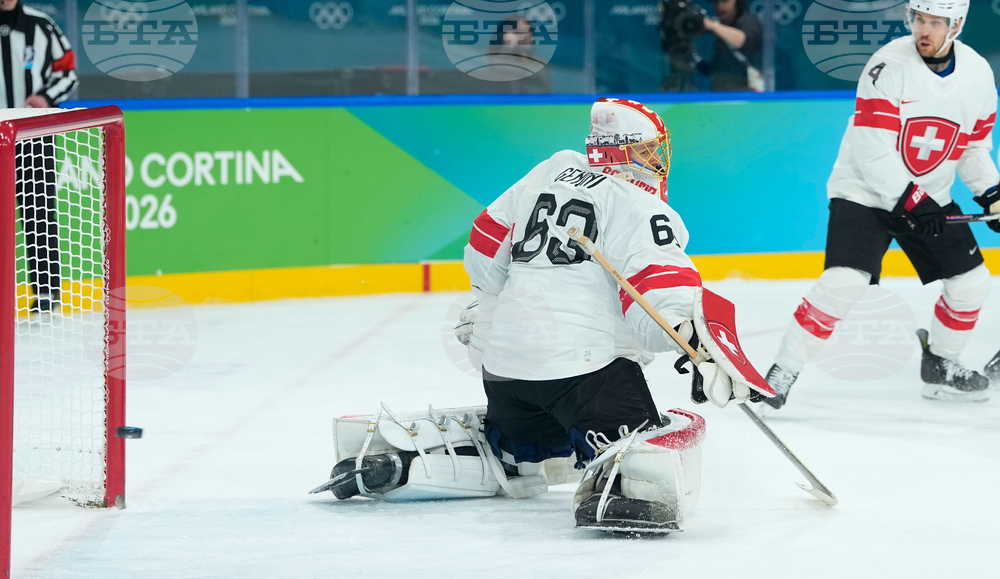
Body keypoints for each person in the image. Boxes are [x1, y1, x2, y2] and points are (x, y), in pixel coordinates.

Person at [318, 99, 766, 532]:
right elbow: (661, 298)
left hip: (505, 377)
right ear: (623, 151)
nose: (655, 159)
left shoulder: (552, 168)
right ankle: (626, 488)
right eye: (647, 150)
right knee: (655, 432)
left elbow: (483, 244)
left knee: (516, 443)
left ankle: (426, 459)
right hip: (587, 379)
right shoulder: (643, 207)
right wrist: (702, 350)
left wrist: (492, 311)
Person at [763, 0, 999, 408]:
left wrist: (992, 193)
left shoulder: (978, 74)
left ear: (957, 24)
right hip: (864, 194)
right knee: (844, 281)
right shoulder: (888, 65)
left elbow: (974, 147)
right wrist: (913, 199)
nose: (924, 30)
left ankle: (941, 364)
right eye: (919, 19)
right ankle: (781, 372)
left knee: (971, 283)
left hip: (928, 198)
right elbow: (872, 149)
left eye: (935, 23)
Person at [1, 0, 77, 312]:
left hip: (33, 136)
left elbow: (68, 72)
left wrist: (46, 97)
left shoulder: (41, 25)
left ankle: (46, 294)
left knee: (38, 212)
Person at [701, 0, 763, 91]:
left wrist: (714, 26)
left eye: (725, 1)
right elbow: (720, 65)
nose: (720, 7)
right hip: (720, 92)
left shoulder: (748, 21)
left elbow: (743, 40)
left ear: (738, 2)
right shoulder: (721, 26)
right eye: (716, 2)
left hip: (746, 93)